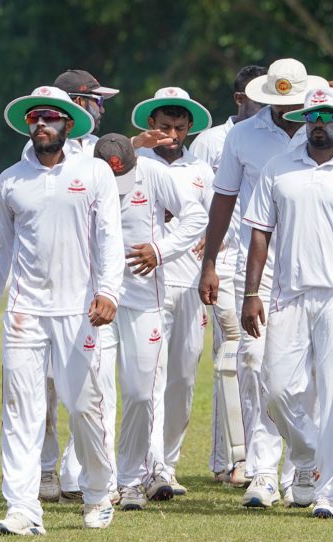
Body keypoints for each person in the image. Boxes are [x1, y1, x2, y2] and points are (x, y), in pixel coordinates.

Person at [240, 87, 333, 519]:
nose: (319, 124)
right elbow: (260, 233)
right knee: (277, 389)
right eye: (312, 117)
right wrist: (251, 293)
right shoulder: (278, 167)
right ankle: (311, 454)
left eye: (327, 117)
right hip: (288, 294)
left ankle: (328, 492)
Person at [0, 86, 124, 534]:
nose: (42, 124)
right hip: (25, 312)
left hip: (80, 310)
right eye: (35, 118)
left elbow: (110, 237)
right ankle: (23, 509)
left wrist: (108, 291)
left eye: (50, 117)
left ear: (68, 122)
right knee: (21, 412)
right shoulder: (11, 180)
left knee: (84, 407)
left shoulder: (95, 172)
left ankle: (99, 493)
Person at [199, 58, 330, 509]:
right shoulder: (243, 135)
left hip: (315, 267)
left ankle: (301, 469)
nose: (288, 110)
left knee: (304, 373)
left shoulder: (325, 129)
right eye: (279, 101)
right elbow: (223, 200)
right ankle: (263, 471)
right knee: (255, 362)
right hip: (258, 268)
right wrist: (209, 262)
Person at [93, 134, 207, 509]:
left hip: (145, 299)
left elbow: (196, 216)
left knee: (142, 393)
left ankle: (132, 477)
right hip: (97, 301)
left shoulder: (153, 172)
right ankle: (106, 481)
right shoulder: (84, 177)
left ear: (135, 162)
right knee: (98, 394)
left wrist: (161, 250)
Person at [38, 69, 120, 504]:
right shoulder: (39, 151)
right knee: (45, 390)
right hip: (42, 292)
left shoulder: (102, 152)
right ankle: (45, 470)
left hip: (90, 292)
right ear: (74, 104)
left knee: (91, 388)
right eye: (95, 100)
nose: (101, 108)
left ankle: (80, 476)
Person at [132, 87, 214, 495]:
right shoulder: (135, 164)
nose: (172, 135)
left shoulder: (201, 171)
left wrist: (211, 242)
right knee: (150, 376)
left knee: (182, 378)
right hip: (144, 284)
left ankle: (169, 462)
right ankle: (151, 467)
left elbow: (221, 218)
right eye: (165, 126)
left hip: (188, 285)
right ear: (151, 124)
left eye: (180, 128)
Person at [190, 64, 266, 486]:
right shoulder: (211, 141)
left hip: (263, 262)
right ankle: (232, 458)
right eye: (258, 96)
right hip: (224, 261)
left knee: (257, 360)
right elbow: (197, 196)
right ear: (240, 98)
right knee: (233, 355)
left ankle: (251, 456)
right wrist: (208, 258)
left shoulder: (282, 134)